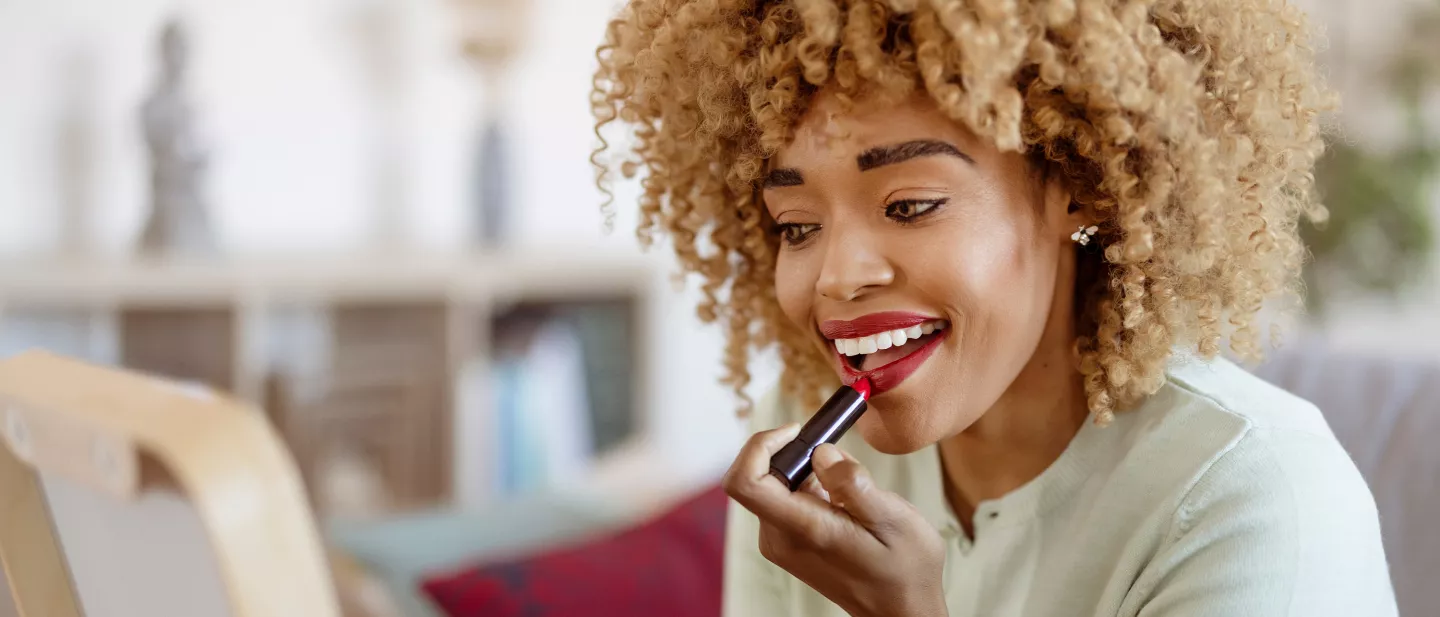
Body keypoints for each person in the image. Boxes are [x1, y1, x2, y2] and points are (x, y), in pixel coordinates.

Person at [590, 0, 1397, 615]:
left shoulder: (1253, 494)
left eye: (907, 205)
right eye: (797, 225)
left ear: (1078, 188)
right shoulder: (804, 442)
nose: (837, 276)